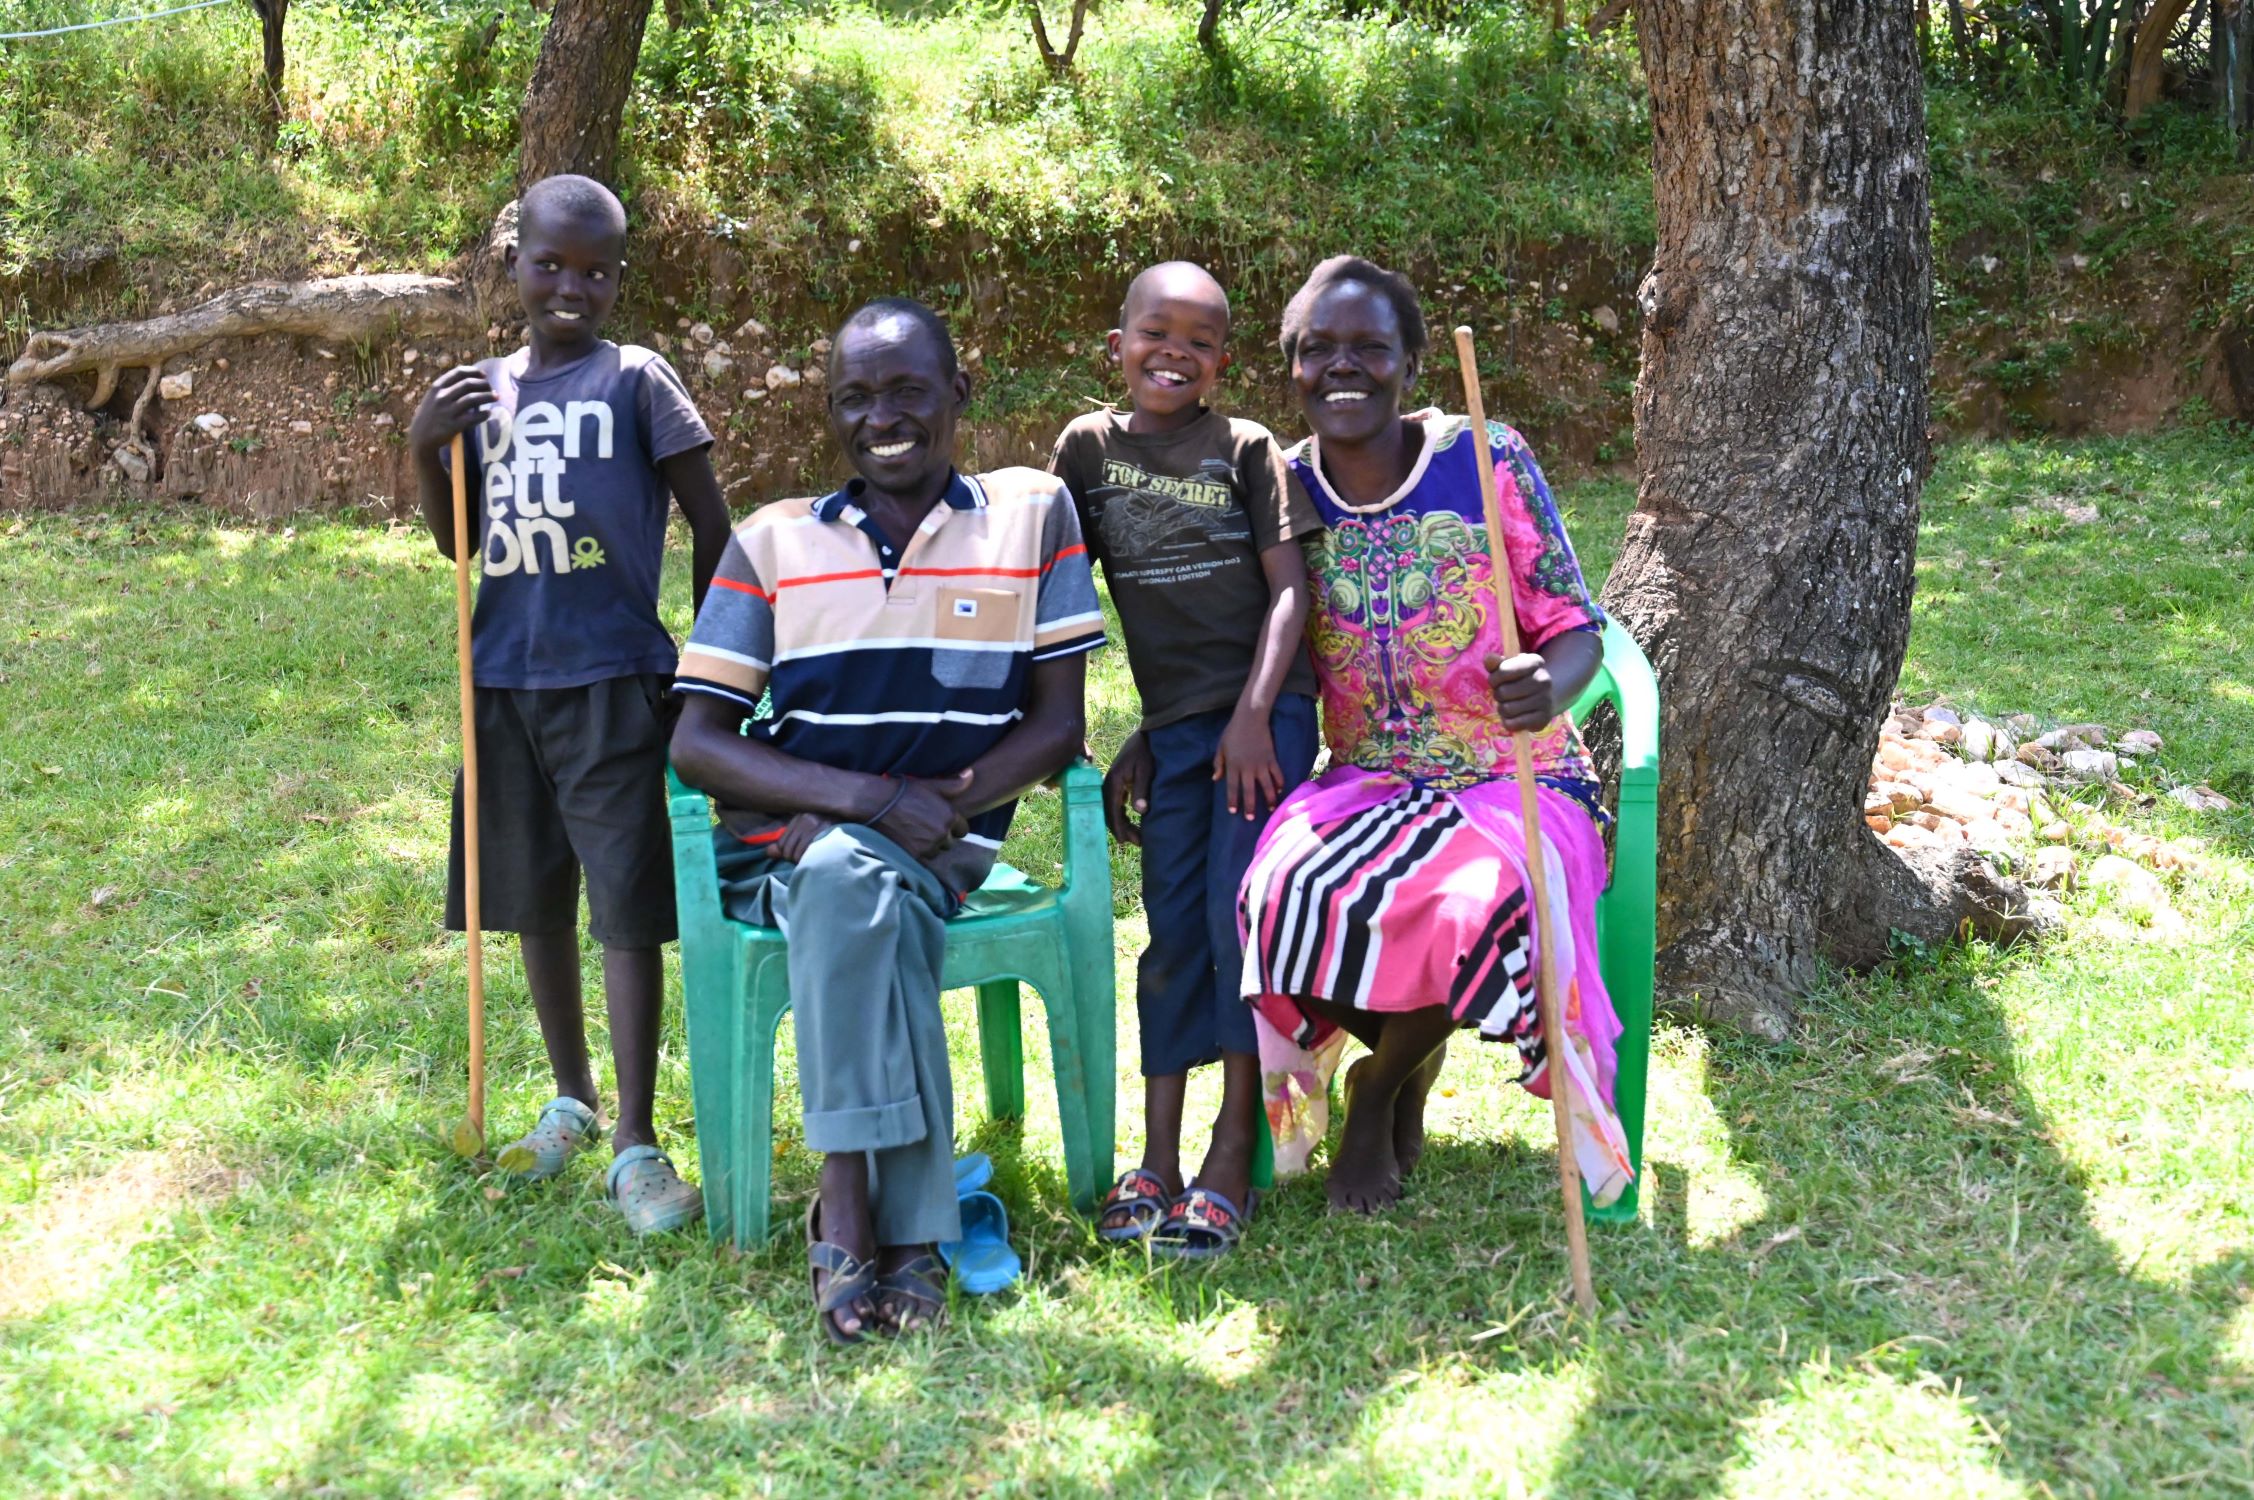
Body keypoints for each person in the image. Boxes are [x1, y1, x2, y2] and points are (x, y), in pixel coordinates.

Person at [669, 298, 1103, 1342]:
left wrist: (933, 810)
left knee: (858, 881)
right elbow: (697, 743)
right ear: (832, 412)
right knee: (847, 879)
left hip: (945, 845)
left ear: (960, 391)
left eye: (908, 390)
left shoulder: (1033, 515)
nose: (883, 417)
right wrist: (869, 803)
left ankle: (848, 1203)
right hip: (787, 846)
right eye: (855, 398)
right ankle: (900, 1226)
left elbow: (1057, 727)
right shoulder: (773, 540)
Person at [1238, 255, 1636, 1214]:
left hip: (1515, 771)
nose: (1343, 367)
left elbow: (1574, 626)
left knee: (1476, 898)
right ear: (1292, 368)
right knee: (1281, 890)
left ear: (1412, 365)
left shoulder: (1485, 458)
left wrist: (1548, 688)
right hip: (1365, 777)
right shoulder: (1284, 485)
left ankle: (1378, 1091)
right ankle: (1400, 1067)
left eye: (1370, 348)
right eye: (1318, 349)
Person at [407, 173, 729, 1235]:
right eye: (549, 265)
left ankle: (636, 1139)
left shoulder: (636, 380)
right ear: (515, 264)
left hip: (613, 681)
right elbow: (456, 542)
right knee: (532, 898)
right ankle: (571, 1100)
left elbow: (714, 528)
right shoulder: (481, 392)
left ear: (618, 279)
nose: (570, 288)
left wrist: (712, 667)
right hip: (502, 681)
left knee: (625, 907)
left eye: (595, 272)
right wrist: (424, 445)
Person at [1048, 262, 1320, 1259]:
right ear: (1116, 346)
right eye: (1156, 334)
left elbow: (1288, 594)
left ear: (1223, 362)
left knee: (1234, 923)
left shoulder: (1245, 448)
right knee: (1167, 931)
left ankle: (1232, 1148)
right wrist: (1125, 729)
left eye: (1199, 342)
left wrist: (1250, 717)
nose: (1175, 354)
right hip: (1176, 732)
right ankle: (1155, 1157)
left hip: (1265, 719)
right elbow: (1058, 594)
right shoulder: (1085, 450)